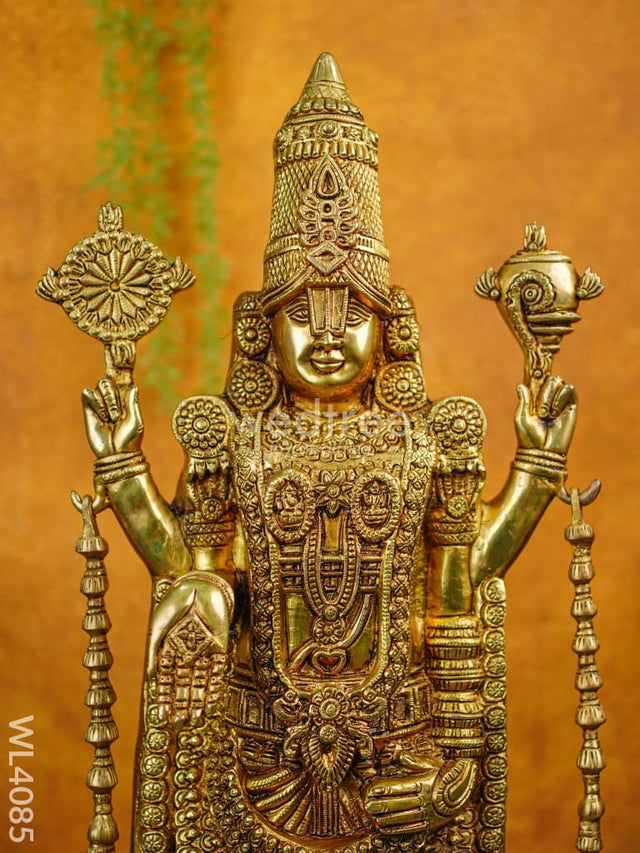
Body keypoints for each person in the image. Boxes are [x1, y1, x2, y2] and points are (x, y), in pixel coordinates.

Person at [82, 53, 576, 853]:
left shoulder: (425, 443)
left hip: (399, 756)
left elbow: (456, 587)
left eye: (352, 312)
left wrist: (536, 470)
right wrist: (125, 471)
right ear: (261, 325)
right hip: (256, 757)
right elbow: (198, 579)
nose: (326, 334)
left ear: (390, 327)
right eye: (301, 312)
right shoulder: (234, 441)